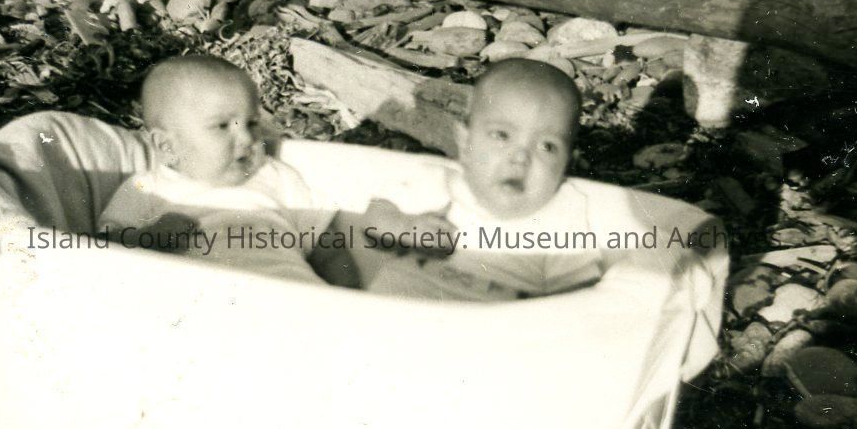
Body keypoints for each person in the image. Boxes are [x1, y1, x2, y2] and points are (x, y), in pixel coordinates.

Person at [97, 54, 441, 284]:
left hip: (289, 297)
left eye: (251, 123)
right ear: (167, 147)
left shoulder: (274, 176)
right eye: (222, 126)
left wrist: (348, 294)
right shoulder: (147, 188)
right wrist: (148, 238)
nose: (247, 138)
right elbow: (101, 253)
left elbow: (326, 244)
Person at [353, 59, 605, 301]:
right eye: (502, 135)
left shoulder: (562, 214)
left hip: (492, 328)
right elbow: (373, 221)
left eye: (547, 146)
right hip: (395, 316)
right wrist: (405, 227)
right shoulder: (437, 182)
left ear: (567, 162)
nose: (520, 157)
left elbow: (579, 297)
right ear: (465, 142)